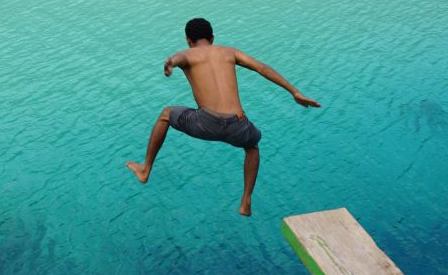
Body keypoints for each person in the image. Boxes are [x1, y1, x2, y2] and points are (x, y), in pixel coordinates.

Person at [125, 17, 321, 217]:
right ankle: (245, 201)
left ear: (188, 40)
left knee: (166, 114)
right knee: (252, 147)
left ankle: (145, 169)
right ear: (212, 37)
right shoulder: (229, 52)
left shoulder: (188, 54)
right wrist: (294, 91)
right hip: (238, 124)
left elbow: (179, 58)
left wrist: (171, 63)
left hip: (206, 122)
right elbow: (262, 68)